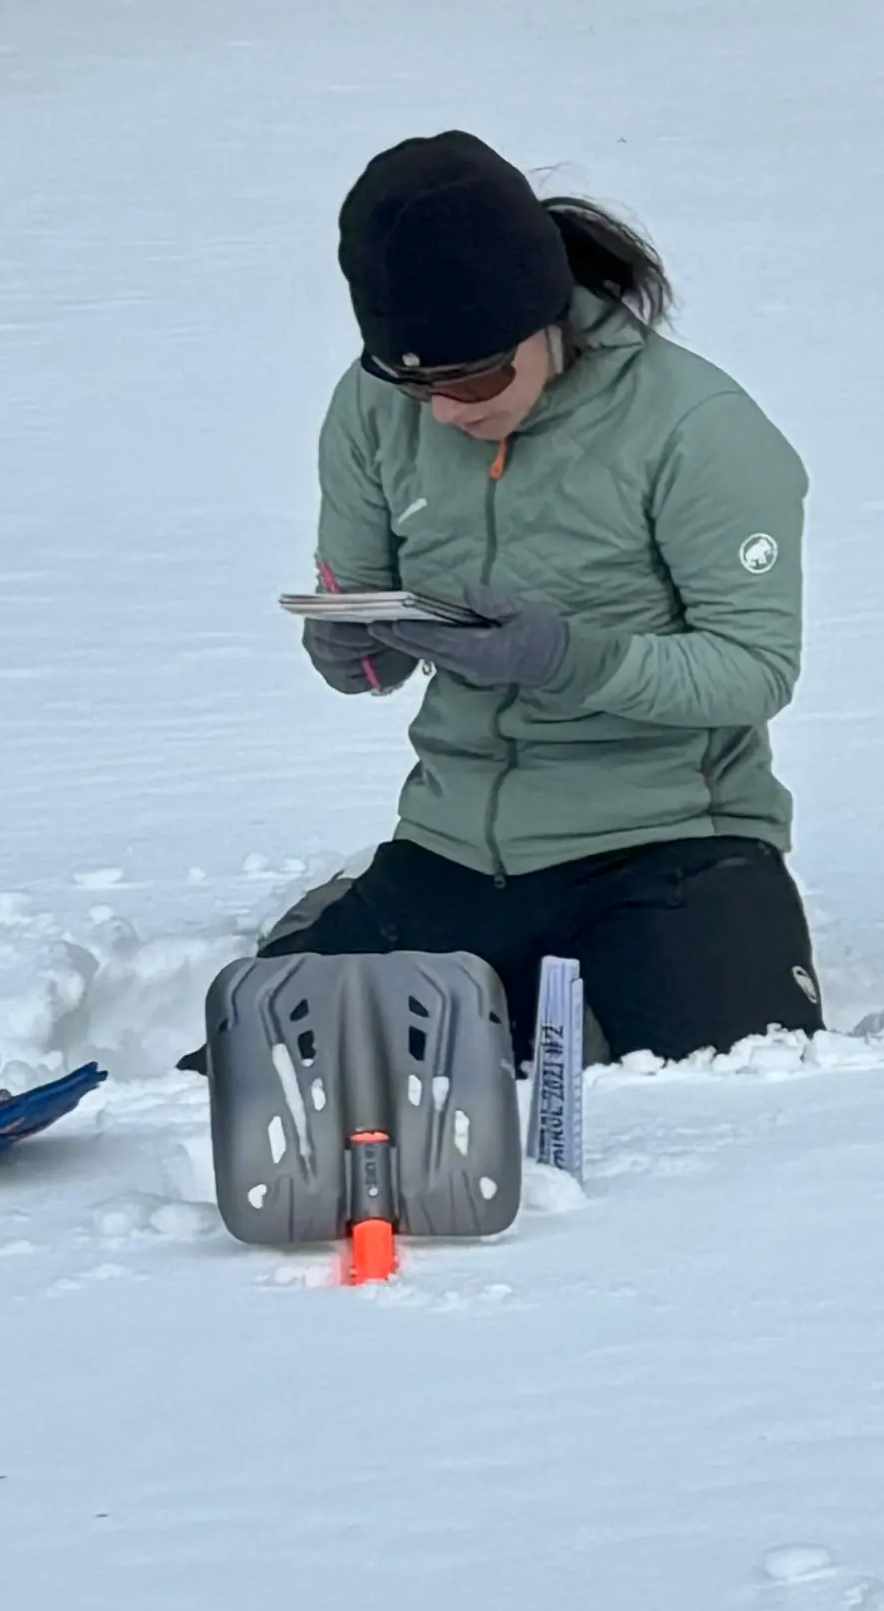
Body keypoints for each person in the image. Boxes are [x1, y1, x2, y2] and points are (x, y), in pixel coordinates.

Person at [279, 130, 822, 1062]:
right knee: (262, 1056)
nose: (446, 410)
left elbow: (755, 668)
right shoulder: (371, 410)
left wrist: (569, 659)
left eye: (475, 376)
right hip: (457, 846)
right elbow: (362, 617)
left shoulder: (696, 429)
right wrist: (356, 647)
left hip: (674, 843)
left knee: (737, 1080)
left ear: (544, 320)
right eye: (414, 384)